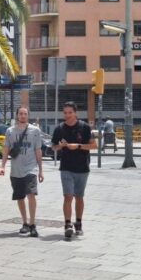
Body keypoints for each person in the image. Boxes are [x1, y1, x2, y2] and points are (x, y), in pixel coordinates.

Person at [52, 102, 96, 240]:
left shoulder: (85, 127)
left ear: (75, 113)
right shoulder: (59, 129)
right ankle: (67, 224)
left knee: (79, 197)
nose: (67, 115)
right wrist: (59, 146)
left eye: (70, 112)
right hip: (66, 167)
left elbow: (94, 146)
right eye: (65, 113)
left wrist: (77, 146)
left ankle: (78, 223)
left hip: (82, 167)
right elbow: (53, 147)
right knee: (68, 196)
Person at [0, 106, 44, 237]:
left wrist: (40, 170)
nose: (23, 116)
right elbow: (6, 149)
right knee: (20, 197)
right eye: (20, 114)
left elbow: (38, 150)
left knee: (31, 194)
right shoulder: (10, 131)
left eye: (25, 114)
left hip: (31, 169)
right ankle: (24, 223)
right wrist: (2, 166)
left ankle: (33, 224)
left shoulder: (35, 131)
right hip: (16, 169)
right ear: (17, 115)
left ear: (28, 115)